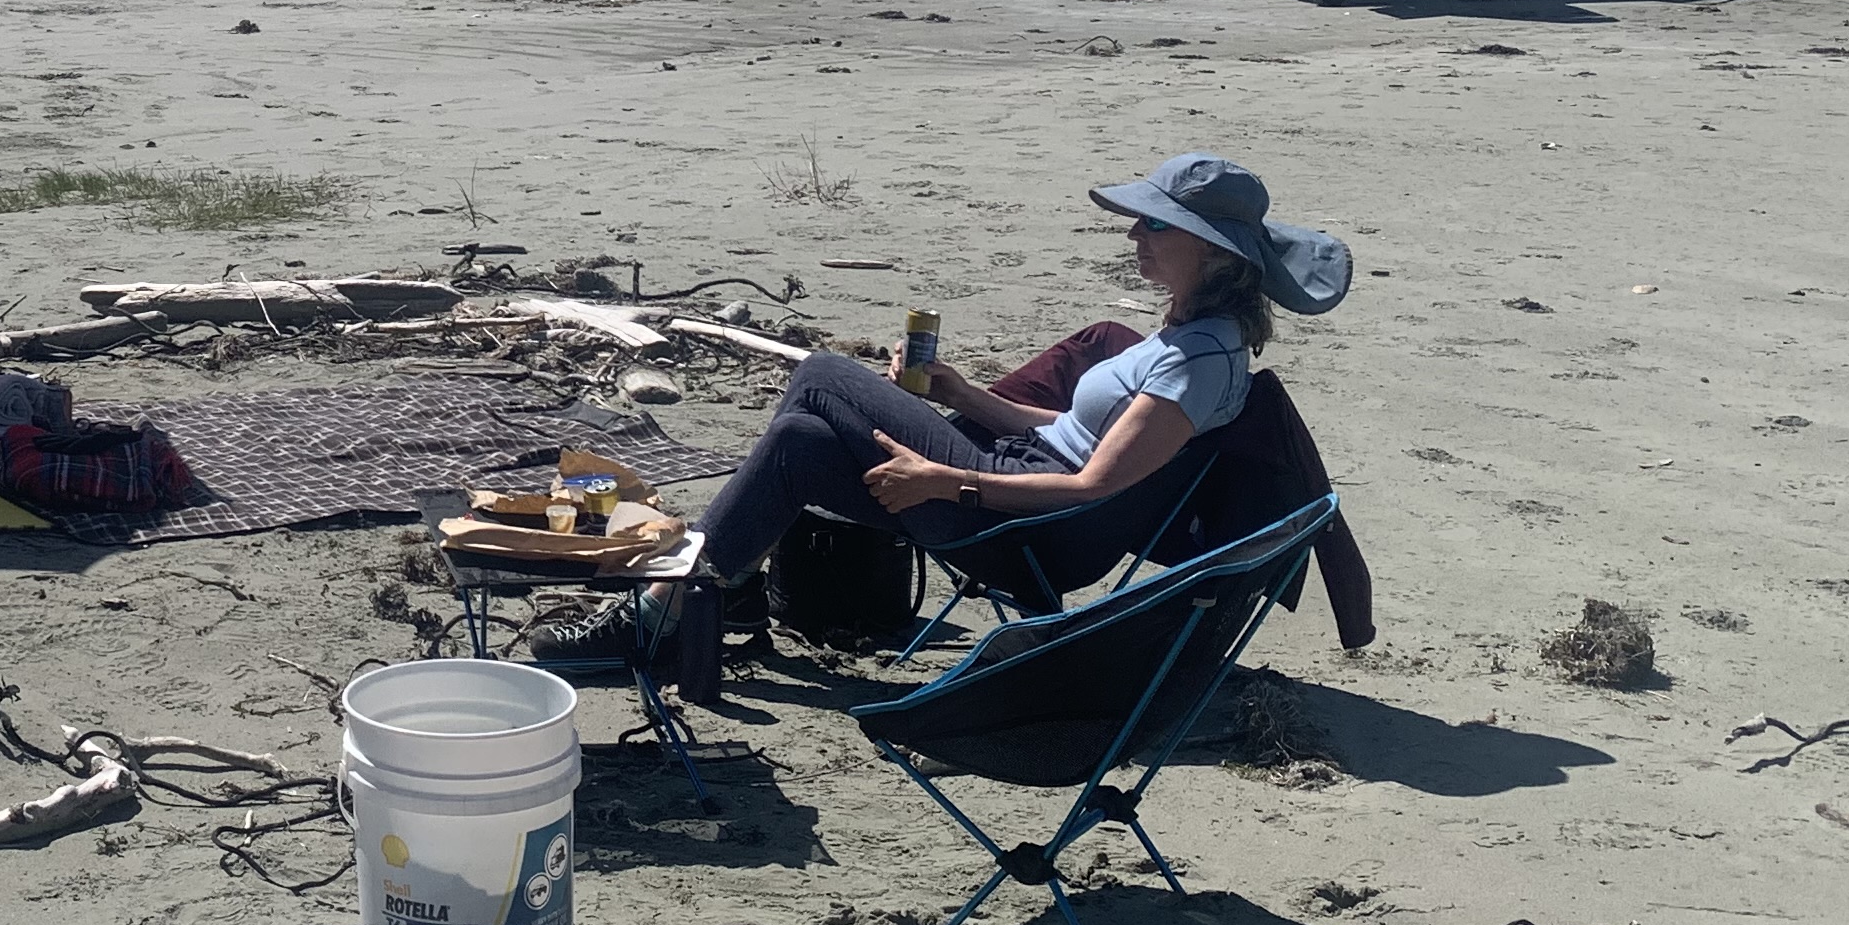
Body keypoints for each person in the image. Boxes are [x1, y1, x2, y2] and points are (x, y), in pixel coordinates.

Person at [535, 152, 1350, 669]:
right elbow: (1071, 436)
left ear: (1211, 250)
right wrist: (963, 396)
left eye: (1155, 224)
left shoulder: (1195, 364)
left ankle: (670, 607)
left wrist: (944, 479)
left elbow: (1091, 486)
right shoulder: (1187, 337)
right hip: (1012, 491)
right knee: (799, 439)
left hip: (1022, 530)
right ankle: (713, 591)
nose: (1134, 233)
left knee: (820, 372)